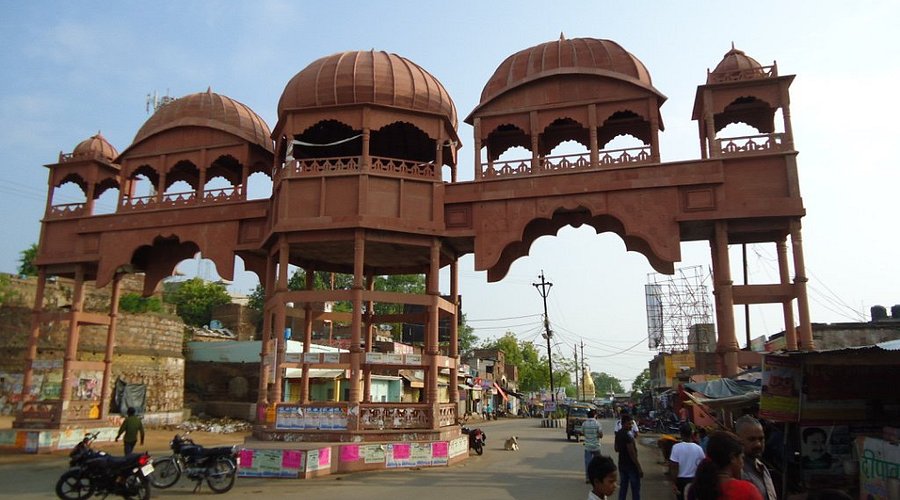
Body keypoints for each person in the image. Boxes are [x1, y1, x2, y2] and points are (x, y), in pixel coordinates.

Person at [688, 431, 763, 500]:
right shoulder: (746, 490)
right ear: (733, 458)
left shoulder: (698, 490)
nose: (742, 463)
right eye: (741, 458)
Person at [735, 415, 777, 500]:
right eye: (751, 439)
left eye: (761, 439)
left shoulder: (762, 468)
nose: (758, 444)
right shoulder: (737, 472)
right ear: (738, 439)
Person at [669, 422, 706, 500]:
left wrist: (673, 483)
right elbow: (703, 465)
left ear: (681, 434)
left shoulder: (676, 447)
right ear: (691, 434)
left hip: (681, 481)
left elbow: (674, 467)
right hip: (694, 480)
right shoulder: (698, 448)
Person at [614, 413, 642, 500]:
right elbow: (632, 453)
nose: (631, 426)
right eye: (629, 424)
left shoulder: (618, 434)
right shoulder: (628, 436)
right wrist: (639, 467)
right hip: (631, 465)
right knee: (635, 488)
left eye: (631, 424)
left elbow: (616, 449)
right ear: (624, 423)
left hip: (622, 464)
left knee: (623, 487)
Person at [582, 409, 604, 483]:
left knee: (588, 463)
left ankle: (588, 478)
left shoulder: (584, 423)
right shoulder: (597, 424)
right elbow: (601, 435)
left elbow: (583, 433)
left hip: (587, 446)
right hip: (596, 446)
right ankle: (597, 477)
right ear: (595, 415)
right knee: (598, 462)